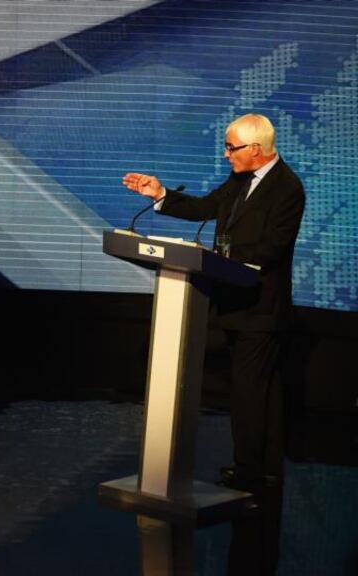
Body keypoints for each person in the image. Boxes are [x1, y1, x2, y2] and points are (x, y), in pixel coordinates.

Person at [122, 113, 305, 499]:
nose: (226, 155)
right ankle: (264, 471)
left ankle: (251, 472)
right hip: (237, 304)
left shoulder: (287, 188)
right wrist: (160, 194)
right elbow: (206, 208)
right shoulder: (240, 182)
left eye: (231, 147)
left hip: (261, 309)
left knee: (251, 392)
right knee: (260, 390)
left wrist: (220, 253)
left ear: (255, 150)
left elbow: (273, 248)